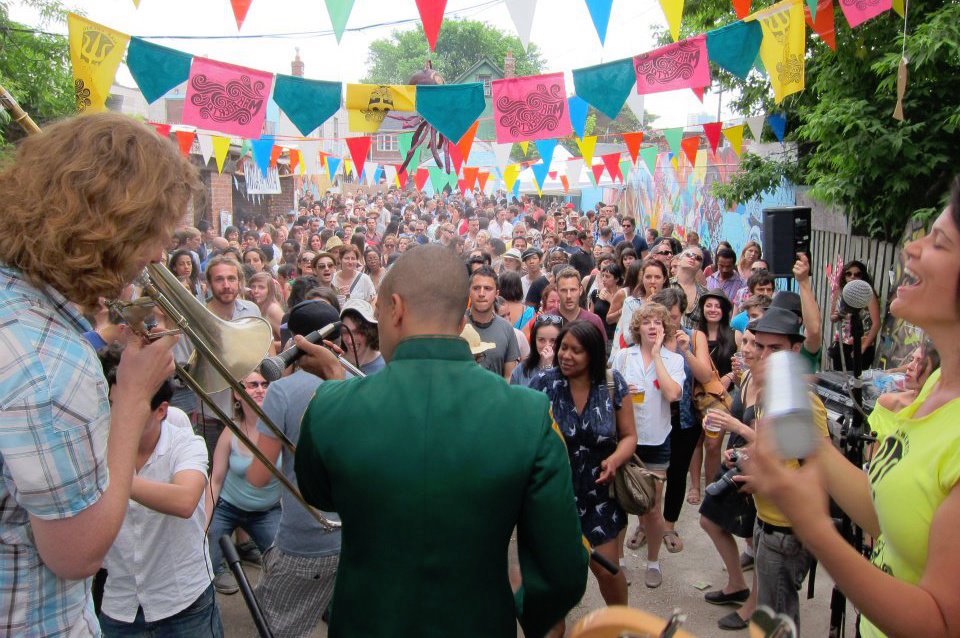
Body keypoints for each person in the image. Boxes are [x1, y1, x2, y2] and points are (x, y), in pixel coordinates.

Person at [293, 244, 589, 637]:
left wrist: (335, 390)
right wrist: (524, 610)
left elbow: (319, 494)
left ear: (395, 308)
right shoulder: (529, 413)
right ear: (463, 309)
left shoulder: (332, 405)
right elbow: (562, 567)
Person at [0, 113, 190, 634]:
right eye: (152, 235)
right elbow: (78, 553)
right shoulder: (55, 366)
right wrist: (132, 394)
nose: (157, 255)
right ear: (109, 229)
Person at [747, 183, 960, 638]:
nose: (912, 247)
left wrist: (813, 527)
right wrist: (803, 436)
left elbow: (940, 623)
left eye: (939, 242)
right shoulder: (938, 387)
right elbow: (884, 513)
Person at [97, 357, 220, 636]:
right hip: (121, 605)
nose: (115, 416)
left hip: (185, 604)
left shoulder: (187, 444)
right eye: (112, 404)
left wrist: (111, 476)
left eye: (129, 408)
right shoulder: (96, 447)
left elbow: (185, 501)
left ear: (161, 411)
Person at [247, 301, 343, 638]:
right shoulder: (357, 385)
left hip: (303, 542)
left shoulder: (282, 392)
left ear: (295, 342)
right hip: (353, 541)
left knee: (276, 628)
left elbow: (257, 478)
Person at [530, 321, 637, 610]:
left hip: (598, 497)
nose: (566, 355)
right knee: (553, 579)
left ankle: (620, 624)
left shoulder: (612, 383)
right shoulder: (542, 384)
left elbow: (629, 436)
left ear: (592, 354)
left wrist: (615, 459)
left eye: (576, 351)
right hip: (553, 499)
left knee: (608, 571)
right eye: (563, 347)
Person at [611, 303, 685, 588]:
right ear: (637, 327)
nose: (653, 326)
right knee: (619, 504)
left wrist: (657, 356)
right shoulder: (624, 357)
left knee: (653, 508)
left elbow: (672, 394)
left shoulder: (673, 360)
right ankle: (619, 562)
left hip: (656, 441)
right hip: (624, 438)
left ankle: (653, 562)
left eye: (658, 322)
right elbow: (607, 394)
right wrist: (621, 393)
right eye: (647, 322)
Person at [206, 371, 282, 595]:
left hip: (266, 511)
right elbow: (216, 479)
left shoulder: (280, 429)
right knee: (206, 560)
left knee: (281, 563)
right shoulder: (231, 431)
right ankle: (219, 568)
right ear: (238, 394)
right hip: (227, 508)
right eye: (253, 385)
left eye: (265, 384)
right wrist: (205, 523)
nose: (260, 389)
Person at [687, 289, 738, 505]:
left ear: (725, 310)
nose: (713, 309)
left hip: (718, 396)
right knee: (695, 442)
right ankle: (695, 487)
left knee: (713, 444)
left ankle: (711, 486)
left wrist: (729, 376)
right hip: (693, 394)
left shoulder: (734, 335)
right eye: (709, 305)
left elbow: (742, 363)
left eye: (718, 306)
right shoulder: (691, 334)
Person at [466, 266, 521, 379]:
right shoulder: (455, 324)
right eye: (476, 288)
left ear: (496, 294)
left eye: (487, 288)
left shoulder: (506, 329)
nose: (481, 293)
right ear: (469, 291)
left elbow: (509, 376)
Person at [829, 259, 881, 371]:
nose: (852, 277)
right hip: (841, 344)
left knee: (857, 380)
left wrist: (864, 346)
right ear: (844, 276)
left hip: (861, 342)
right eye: (849, 274)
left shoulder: (868, 293)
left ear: (862, 277)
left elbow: (876, 323)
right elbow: (832, 316)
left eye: (857, 274)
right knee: (839, 380)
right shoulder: (839, 292)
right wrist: (835, 317)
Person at [555, 267, 608, 342]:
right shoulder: (547, 321)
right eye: (563, 290)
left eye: (573, 290)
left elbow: (602, 352)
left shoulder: (594, 321)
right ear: (557, 291)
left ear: (580, 290)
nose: (568, 296)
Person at [510, 313, 561, 387]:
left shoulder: (567, 370)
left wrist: (548, 367)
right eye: (541, 340)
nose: (547, 345)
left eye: (553, 340)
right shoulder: (521, 369)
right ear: (534, 341)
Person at [340, 298, 386, 375]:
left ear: (370, 331)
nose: (350, 340)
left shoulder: (386, 365)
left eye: (357, 332)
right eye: (345, 332)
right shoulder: (337, 364)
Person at [671, 245, 708, 329]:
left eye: (698, 258)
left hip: (693, 340)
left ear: (700, 266)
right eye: (689, 254)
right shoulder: (665, 284)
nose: (693, 258)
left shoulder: (705, 293)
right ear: (679, 260)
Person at [588, 263, 625, 345]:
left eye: (607, 276)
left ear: (617, 279)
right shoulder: (596, 293)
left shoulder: (623, 295)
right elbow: (591, 315)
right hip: (598, 335)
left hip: (615, 337)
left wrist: (611, 300)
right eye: (603, 276)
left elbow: (623, 319)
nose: (604, 279)